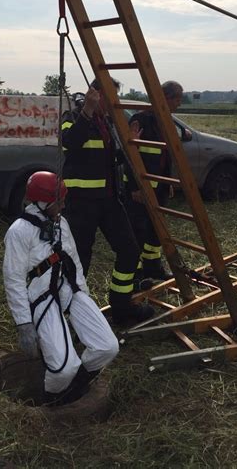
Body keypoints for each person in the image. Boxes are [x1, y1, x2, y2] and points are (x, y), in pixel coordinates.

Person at [3, 171, 119, 405]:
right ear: (42, 202)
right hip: (41, 296)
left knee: (108, 347)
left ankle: (76, 386)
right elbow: (14, 280)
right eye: (59, 201)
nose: (64, 205)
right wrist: (24, 323)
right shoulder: (19, 232)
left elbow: (74, 260)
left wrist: (83, 303)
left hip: (69, 290)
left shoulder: (60, 223)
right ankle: (51, 399)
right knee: (63, 369)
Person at [61, 80, 154, 326]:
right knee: (80, 260)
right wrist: (87, 111)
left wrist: (131, 144)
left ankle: (122, 307)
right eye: (111, 97)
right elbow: (69, 143)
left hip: (110, 201)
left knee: (130, 250)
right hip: (81, 204)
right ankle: (71, 315)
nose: (115, 103)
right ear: (95, 94)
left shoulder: (108, 123)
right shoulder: (72, 115)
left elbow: (112, 160)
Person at [126, 81, 184, 282]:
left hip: (159, 187)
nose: (179, 103)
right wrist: (135, 188)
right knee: (139, 232)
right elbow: (129, 156)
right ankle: (136, 274)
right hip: (140, 189)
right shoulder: (140, 120)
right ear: (166, 98)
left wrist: (167, 183)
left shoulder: (165, 121)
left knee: (156, 231)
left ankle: (153, 268)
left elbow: (165, 157)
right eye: (177, 98)